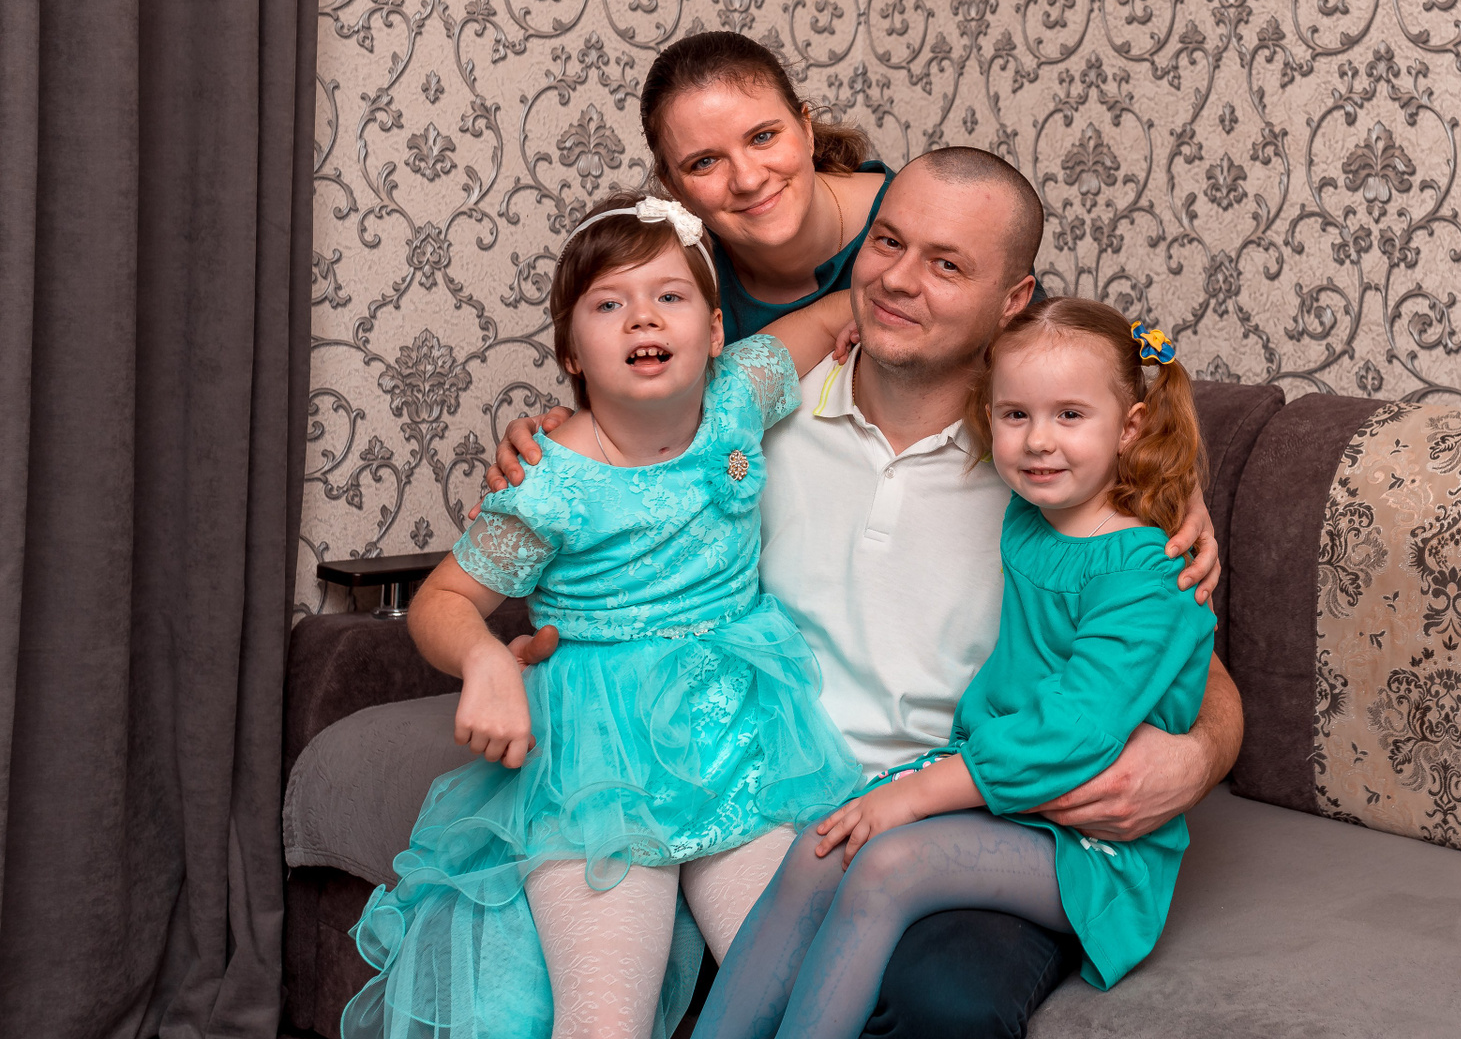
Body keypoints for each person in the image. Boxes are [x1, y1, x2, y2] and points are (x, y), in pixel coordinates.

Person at [489, 147, 1242, 1037]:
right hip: (764, 786)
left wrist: (1199, 758)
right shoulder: (749, 413)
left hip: (971, 798)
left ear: (1014, 300)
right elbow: (621, 454)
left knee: (942, 1001)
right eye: (888, 242)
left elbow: (1166, 655)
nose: (900, 279)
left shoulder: (1047, 471)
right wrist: (555, 446)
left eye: (947, 264)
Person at [342, 194, 864, 1039]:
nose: (642, 317)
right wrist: (484, 661)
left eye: (669, 296)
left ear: (716, 331)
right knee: (603, 1022)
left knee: (794, 993)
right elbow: (443, 601)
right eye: (609, 304)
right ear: (571, 353)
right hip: (597, 763)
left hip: (741, 740)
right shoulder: (549, 482)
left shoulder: (743, 392)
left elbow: (846, 306)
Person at [690, 297, 1217, 1038]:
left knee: (885, 864)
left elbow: (1073, 732)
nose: (1039, 441)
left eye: (1070, 416)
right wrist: (866, 330)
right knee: (823, 845)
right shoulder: (1031, 513)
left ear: (1130, 427)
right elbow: (951, 357)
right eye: (1015, 416)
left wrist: (916, 795)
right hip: (994, 785)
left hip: (1086, 836)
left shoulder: (1152, 575)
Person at [639, 31, 892, 342]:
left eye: (763, 137)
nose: (748, 180)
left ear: (806, 130)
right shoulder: (674, 283)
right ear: (674, 188)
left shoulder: (915, 224)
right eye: (704, 162)